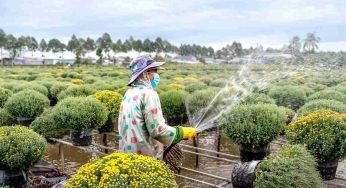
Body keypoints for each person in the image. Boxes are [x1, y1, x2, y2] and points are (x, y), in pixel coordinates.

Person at [118, 55, 197, 159]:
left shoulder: (129, 93)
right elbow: (157, 130)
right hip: (144, 156)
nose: (156, 74)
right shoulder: (149, 95)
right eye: (155, 71)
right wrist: (180, 132)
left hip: (126, 155)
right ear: (146, 73)